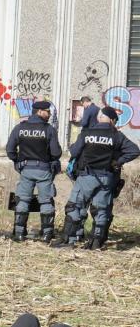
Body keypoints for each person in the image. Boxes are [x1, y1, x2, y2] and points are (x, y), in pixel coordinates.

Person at [53, 106, 140, 249]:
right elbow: (134, 150)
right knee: (101, 209)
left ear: (100, 117)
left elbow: (74, 151)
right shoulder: (117, 135)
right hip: (107, 178)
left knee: (75, 206)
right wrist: (118, 161)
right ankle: (96, 243)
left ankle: (68, 240)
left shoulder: (87, 133)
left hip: (87, 176)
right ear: (111, 120)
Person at [5, 99, 61, 242]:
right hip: (44, 169)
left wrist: (18, 160)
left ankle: (19, 233)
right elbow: (56, 153)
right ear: (40, 112)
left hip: (26, 169)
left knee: (23, 199)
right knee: (46, 201)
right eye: (48, 112)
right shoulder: (49, 129)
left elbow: (10, 150)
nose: (49, 114)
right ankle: (47, 234)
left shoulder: (20, 128)